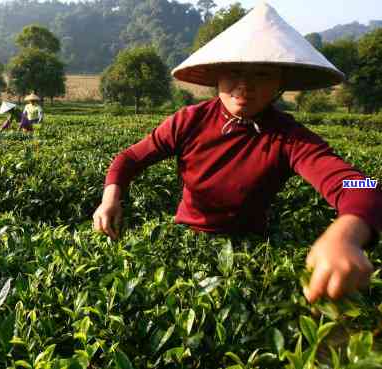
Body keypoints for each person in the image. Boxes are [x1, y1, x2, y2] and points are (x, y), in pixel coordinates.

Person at [92, 3, 382, 304]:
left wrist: (346, 234)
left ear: (279, 84)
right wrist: (109, 199)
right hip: (186, 237)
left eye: (262, 73)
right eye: (234, 71)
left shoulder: (289, 138)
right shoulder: (190, 120)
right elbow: (130, 159)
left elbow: (363, 186)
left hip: (249, 248)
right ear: (217, 74)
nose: (245, 85)